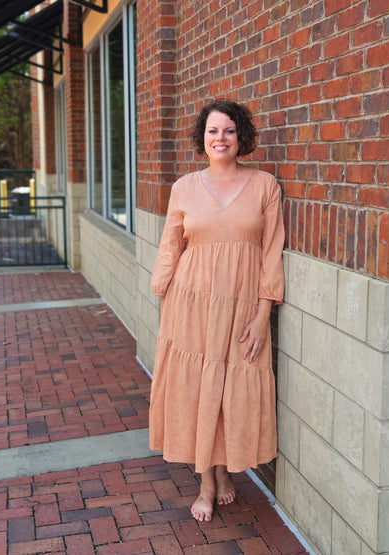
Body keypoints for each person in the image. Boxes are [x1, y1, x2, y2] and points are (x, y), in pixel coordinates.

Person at [149, 99, 285, 522]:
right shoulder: (184, 187)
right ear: (202, 138)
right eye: (212, 131)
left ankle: (225, 472)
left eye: (228, 130)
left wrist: (263, 315)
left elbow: (271, 253)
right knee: (198, 389)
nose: (220, 138)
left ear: (241, 137)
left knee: (228, 391)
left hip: (243, 305)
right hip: (191, 304)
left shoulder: (265, 185)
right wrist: (163, 298)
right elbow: (171, 246)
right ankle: (207, 480)